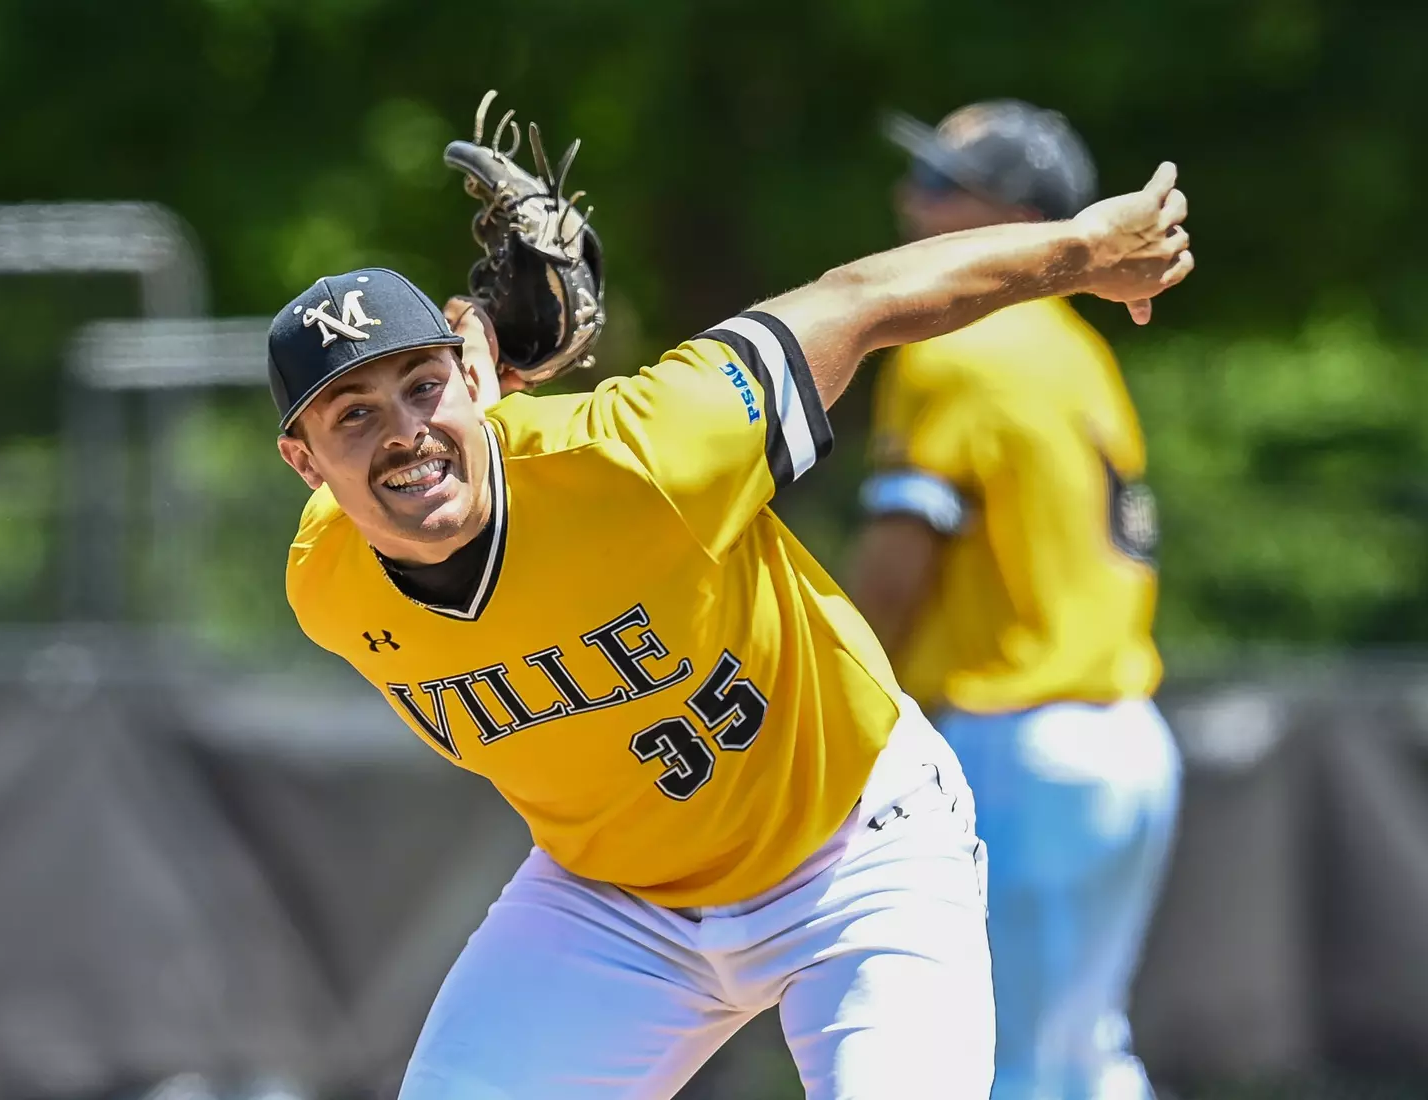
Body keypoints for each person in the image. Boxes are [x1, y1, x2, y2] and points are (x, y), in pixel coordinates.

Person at [270, 159, 1191, 1099]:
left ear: (471, 382)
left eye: (423, 386)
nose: (403, 432)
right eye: (354, 413)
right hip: (614, 904)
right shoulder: (325, 579)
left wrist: (1082, 250)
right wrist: (477, 362)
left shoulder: (647, 452)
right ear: (304, 463)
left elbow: (862, 298)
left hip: (853, 853)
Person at [848, 101, 1185, 1100]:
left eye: (944, 183)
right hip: (1123, 741)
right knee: (1081, 1056)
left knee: (997, 1067)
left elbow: (901, 557)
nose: (911, 198)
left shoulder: (960, 344)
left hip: (1016, 743)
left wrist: (840, 703)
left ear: (1017, 213)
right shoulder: (1076, 346)